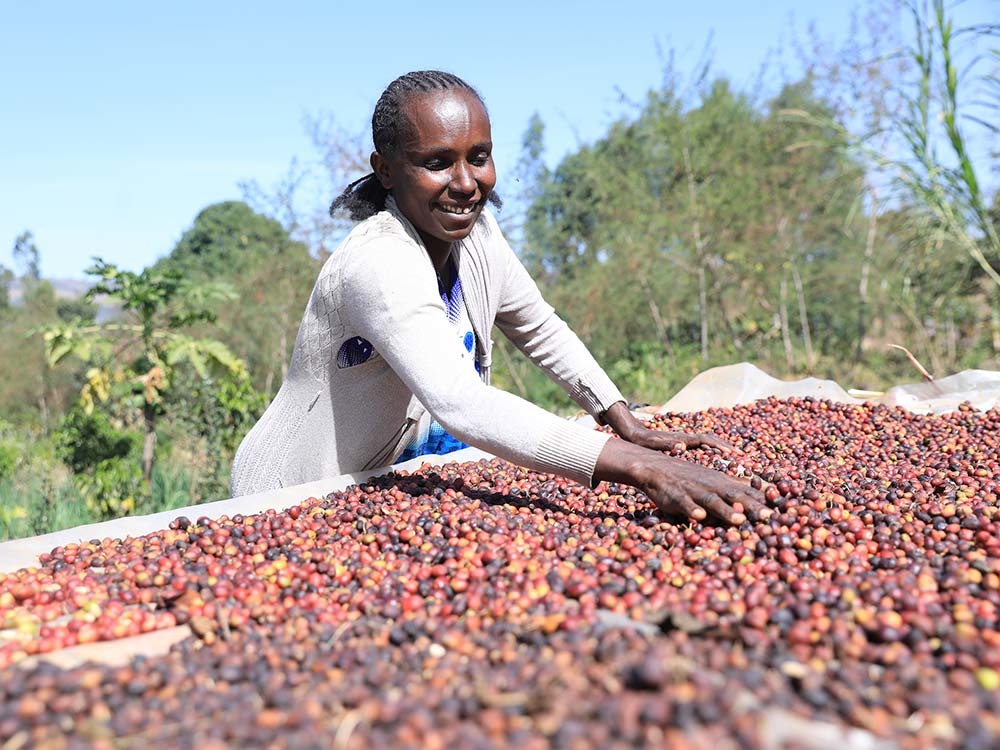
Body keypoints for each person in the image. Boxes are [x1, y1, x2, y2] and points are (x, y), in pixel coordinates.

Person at [231, 70, 770, 526]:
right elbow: (462, 403)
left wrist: (618, 416)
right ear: (387, 170)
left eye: (479, 157)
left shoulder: (478, 236)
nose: (466, 183)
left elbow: (538, 325)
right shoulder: (378, 263)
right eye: (437, 163)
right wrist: (638, 467)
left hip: (397, 467)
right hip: (299, 491)